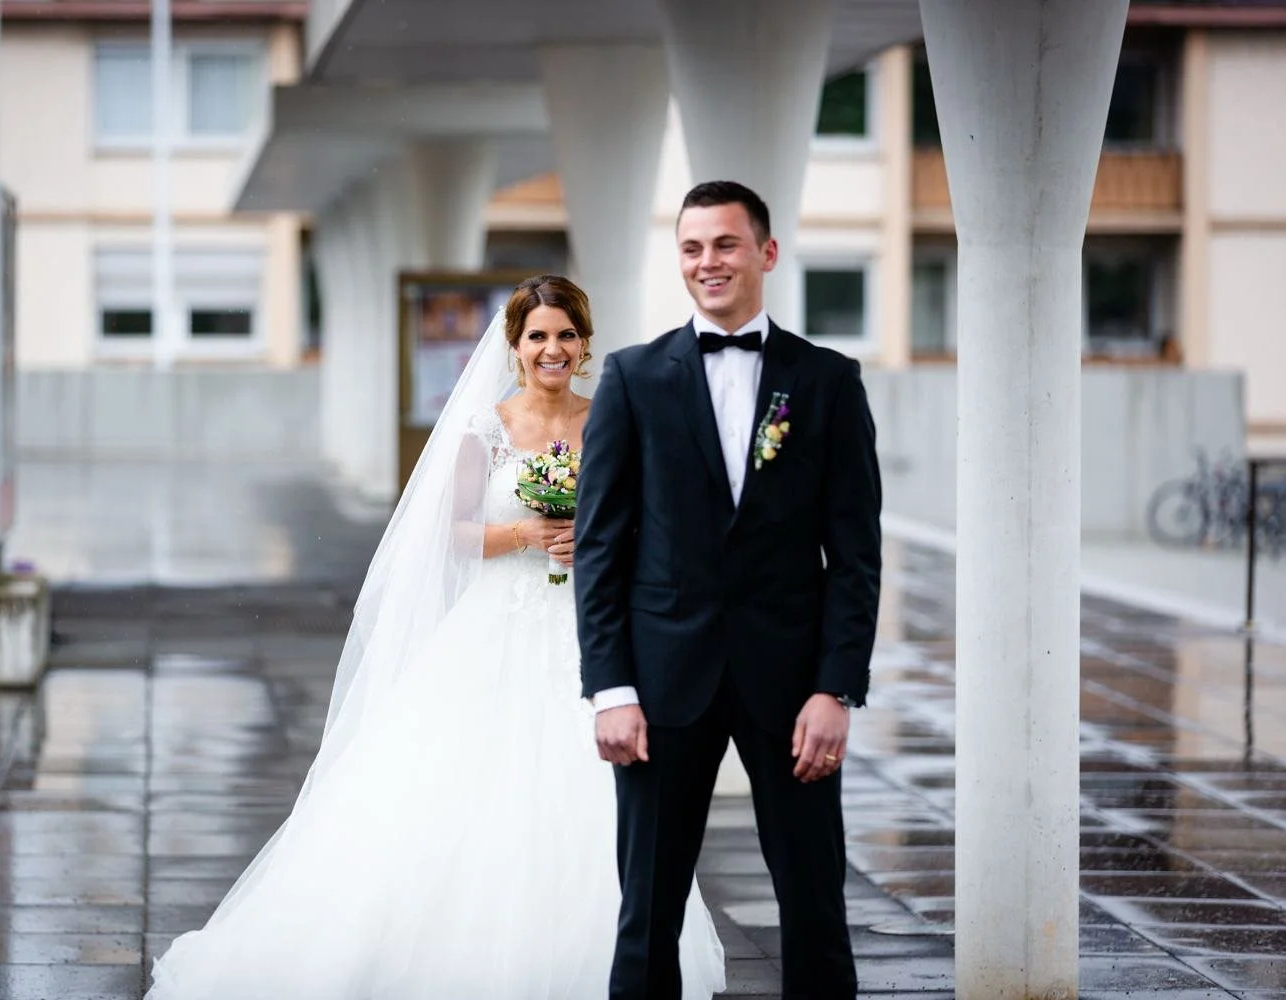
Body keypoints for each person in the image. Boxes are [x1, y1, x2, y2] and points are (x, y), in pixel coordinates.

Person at [146, 274, 725, 999]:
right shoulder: (486, 428)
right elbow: (451, 535)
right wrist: (525, 532)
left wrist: (602, 540)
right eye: (537, 335)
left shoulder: (613, 417)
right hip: (496, 628)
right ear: (514, 346)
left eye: (565, 334)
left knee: (600, 795)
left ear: (584, 344)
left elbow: (647, 520)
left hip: (590, 631)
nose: (552, 348)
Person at [575, 181, 882, 1000]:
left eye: (724, 244)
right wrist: (610, 687)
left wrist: (836, 687)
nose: (707, 262)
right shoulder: (633, 379)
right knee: (647, 907)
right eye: (691, 247)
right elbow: (601, 548)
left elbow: (855, 555)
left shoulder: (826, 381)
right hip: (661, 683)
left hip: (791, 689)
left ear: (766, 253)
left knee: (814, 902)